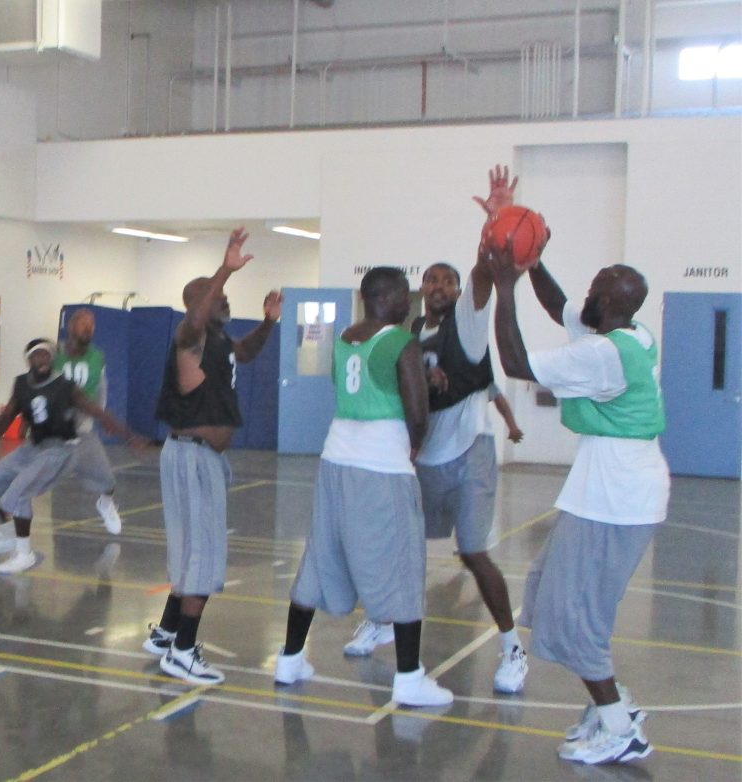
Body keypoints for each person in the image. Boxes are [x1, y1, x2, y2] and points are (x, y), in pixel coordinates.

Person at [342, 166, 528, 697]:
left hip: (469, 452)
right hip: (422, 455)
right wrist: (420, 382)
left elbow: (483, 278)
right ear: (420, 290)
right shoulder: (409, 333)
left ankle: (512, 647)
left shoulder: (467, 323)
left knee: (473, 552)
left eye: (447, 280)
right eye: (431, 280)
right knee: (404, 548)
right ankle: (382, 619)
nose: (440, 286)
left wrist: (496, 225)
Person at [489, 247, 667, 765]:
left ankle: (620, 727)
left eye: (594, 288)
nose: (584, 295)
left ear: (610, 301)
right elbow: (560, 306)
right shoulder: (629, 333)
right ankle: (614, 709)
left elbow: (517, 363)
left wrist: (504, 288)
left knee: (576, 617)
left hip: (617, 498)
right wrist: (532, 262)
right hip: (604, 490)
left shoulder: (603, 354)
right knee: (548, 594)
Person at [273, 267, 453, 707]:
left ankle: (290, 658)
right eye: (404, 294)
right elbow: (415, 413)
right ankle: (409, 679)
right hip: (382, 467)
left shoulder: (344, 338)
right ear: (387, 297)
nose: (409, 299)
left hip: (335, 459)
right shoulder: (400, 342)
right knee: (404, 565)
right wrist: (415, 442)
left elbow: (353, 388)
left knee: (320, 555)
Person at [142, 227, 282, 686]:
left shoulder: (221, 343)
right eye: (214, 295)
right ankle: (183, 651)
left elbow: (248, 352)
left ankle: (165, 633)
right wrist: (224, 269)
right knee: (203, 557)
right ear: (197, 303)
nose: (223, 299)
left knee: (189, 553)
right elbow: (197, 318)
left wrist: (268, 322)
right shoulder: (190, 337)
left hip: (200, 458)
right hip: (192, 457)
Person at [0, 338, 142, 574]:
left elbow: (94, 409)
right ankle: (3, 522)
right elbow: (9, 414)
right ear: (29, 360)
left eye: (46, 355)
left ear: (52, 358)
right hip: (36, 445)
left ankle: (24, 552)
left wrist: (128, 434)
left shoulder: (64, 385)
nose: (42, 360)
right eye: (37, 355)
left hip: (62, 448)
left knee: (26, 487)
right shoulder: (22, 384)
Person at [53, 308, 123, 535]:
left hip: (82, 428)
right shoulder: (55, 353)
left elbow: (101, 388)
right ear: (71, 327)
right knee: (26, 476)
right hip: (53, 429)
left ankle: (105, 504)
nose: (89, 328)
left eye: (92, 325)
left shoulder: (97, 356)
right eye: (84, 324)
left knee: (107, 479)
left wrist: (99, 416)